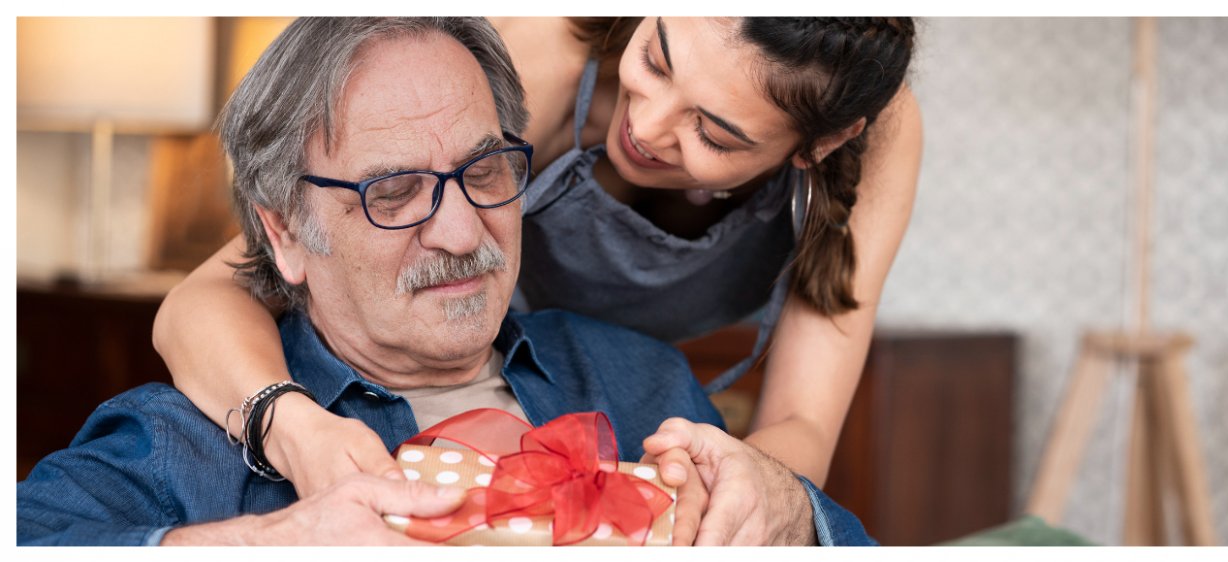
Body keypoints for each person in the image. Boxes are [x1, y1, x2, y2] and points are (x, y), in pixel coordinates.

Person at [16, 17, 874, 547]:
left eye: (489, 172)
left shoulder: (642, 381)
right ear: (284, 234)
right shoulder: (184, 441)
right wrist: (261, 542)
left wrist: (790, 510)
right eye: (394, 192)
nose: (465, 232)